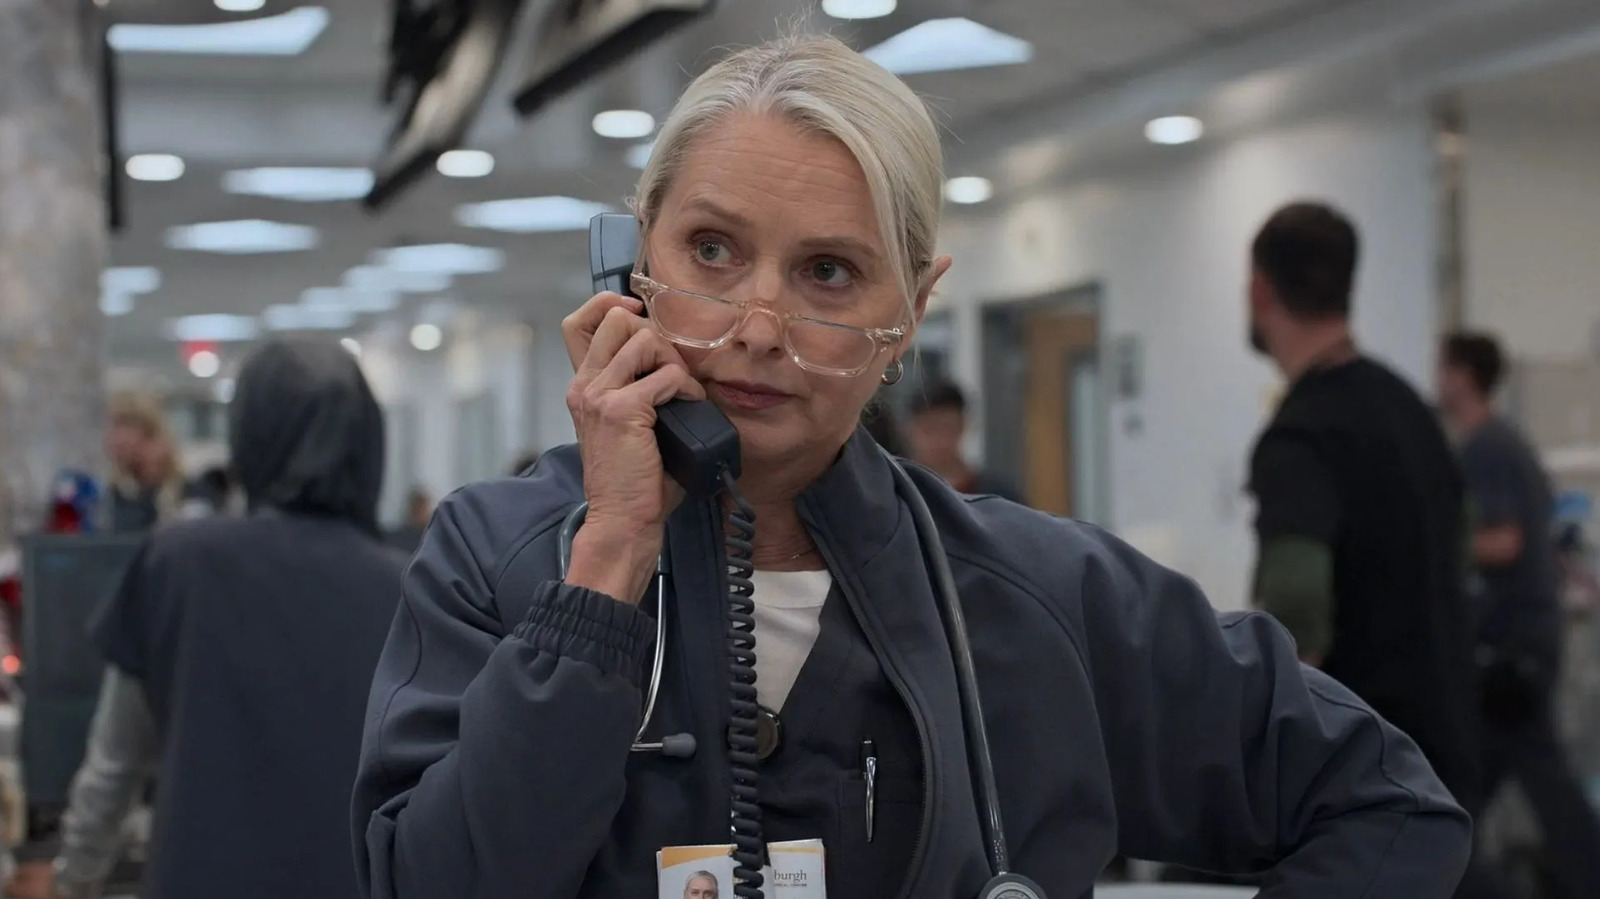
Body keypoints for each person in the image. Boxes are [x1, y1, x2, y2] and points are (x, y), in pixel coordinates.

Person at [352, 36, 1470, 899]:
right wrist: (608, 567)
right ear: (635, 256)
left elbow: (1385, 802)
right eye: (711, 249)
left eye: (828, 272)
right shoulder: (499, 558)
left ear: (914, 308)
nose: (757, 324)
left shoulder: (1042, 597)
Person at [49, 338, 406, 899]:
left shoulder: (178, 563)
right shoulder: (409, 589)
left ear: (248, 435)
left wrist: (72, 881)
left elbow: (114, 766)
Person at [1243, 202, 1494, 894]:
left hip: (1369, 774)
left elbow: (1297, 601)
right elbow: (1463, 545)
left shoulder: (1301, 433)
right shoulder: (1414, 412)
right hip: (1451, 741)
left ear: (1260, 289)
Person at [1438, 331, 1600, 898]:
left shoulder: (1487, 447)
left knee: (1520, 782)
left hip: (1510, 649)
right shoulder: (1501, 443)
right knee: (1477, 785)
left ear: (1463, 375)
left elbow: (1504, 541)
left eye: (1443, 368)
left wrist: (1433, 545)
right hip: (1518, 642)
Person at [904, 379, 1021, 501]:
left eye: (947, 428)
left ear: (963, 426)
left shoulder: (999, 497)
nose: (939, 441)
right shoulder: (900, 494)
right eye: (930, 429)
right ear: (910, 429)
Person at [104, 392, 183, 533]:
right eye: (115, 427)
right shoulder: (113, 496)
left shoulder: (188, 493)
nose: (118, 439)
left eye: (127, 426)